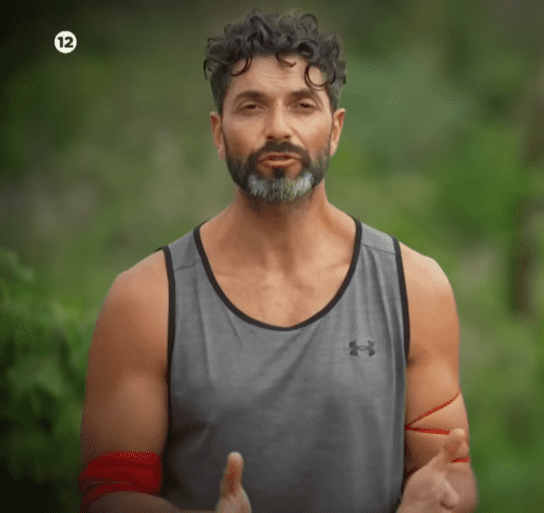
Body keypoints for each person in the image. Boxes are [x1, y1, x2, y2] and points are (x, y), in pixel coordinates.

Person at [78, 11, 477, 513]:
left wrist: (436, 501)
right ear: (218, 133)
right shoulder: (146, 299)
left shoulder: (415, 287)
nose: (278, 128)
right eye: (252, 106)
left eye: (302, 105)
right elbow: (110, 490)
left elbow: (451, 472)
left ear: (335, 130)